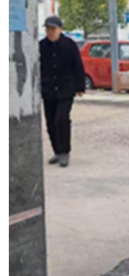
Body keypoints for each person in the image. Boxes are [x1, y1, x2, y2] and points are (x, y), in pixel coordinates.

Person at [39, 16, 85, 167]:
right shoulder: (41, 46)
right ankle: (57, 151)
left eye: (53, 29)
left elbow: (78, 66)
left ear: (60, 29)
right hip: (48, 89)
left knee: (61, 119)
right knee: (50, 121)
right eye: (47, 29)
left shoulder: (69, 45)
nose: (50, 32)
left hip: (66, 89)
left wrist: (80, 86)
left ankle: (65, 152)